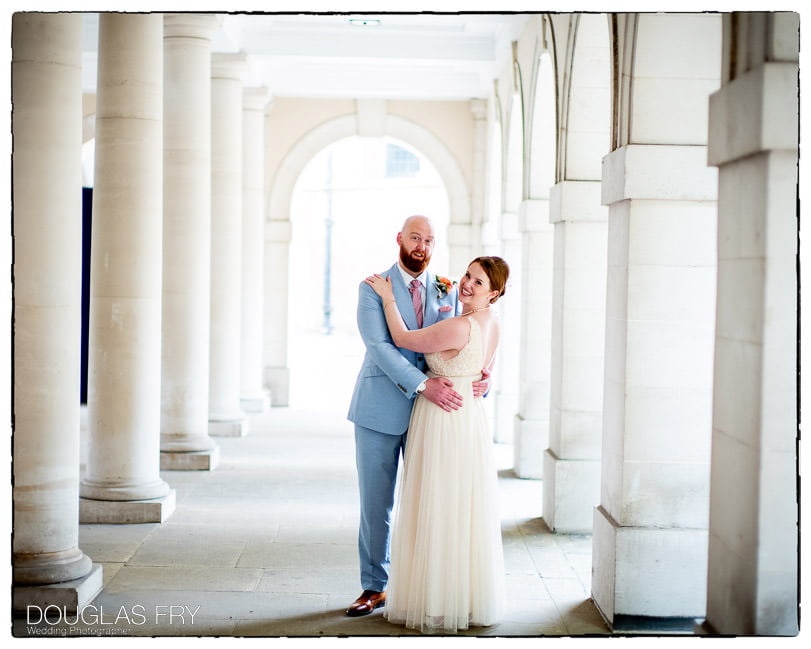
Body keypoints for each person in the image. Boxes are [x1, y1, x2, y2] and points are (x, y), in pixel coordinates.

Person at [346, 215, 490, 618]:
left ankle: (426, 589)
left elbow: (469, 338)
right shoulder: (374, 287)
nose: (422, 246)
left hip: (435, 416)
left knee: (434, 501)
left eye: (429, 239)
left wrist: (482, 377)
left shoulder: (446, 289)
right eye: (415, 237)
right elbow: (379, 345)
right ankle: (374, 587)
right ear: (400, 239)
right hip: (379, 408)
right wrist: (423, 384)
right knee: (377, 505)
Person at [364, 255, 509, 634]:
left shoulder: (461, 326)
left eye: (478, 283)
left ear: (494, 293)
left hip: (443, 418)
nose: (466, 284)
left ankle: (439, 603)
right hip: (469, 418)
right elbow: (483, 369)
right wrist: (486, 380)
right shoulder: (493, 323)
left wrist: (387, 297)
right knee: (461, 506)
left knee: (439, 505)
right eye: (467, 275)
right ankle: (465, 597)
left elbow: (401, 340)